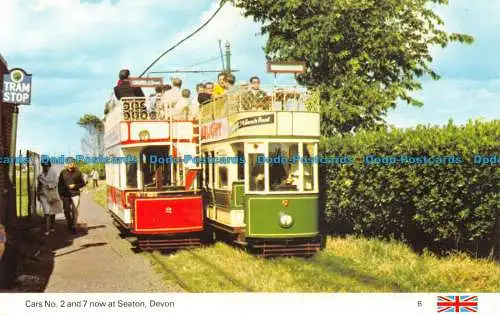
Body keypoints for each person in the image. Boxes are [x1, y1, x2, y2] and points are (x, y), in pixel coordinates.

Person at [58, 159, 86, 234]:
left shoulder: (78, 172)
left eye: (72, 162)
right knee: (66, 210)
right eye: (69, 162)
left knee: (74, 210)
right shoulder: (63, 173)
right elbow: (59, 184)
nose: (70, 164)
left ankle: (74, 226)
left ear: (74, 163)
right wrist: (60, 194)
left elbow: (83, 183)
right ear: (67, 164)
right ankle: (70, 223)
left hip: (75, 194)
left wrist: (75, 185)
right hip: (65, 195)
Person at [37, 161, 63, 235]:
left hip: (52, 194)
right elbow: (38, 185)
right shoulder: (40, 175)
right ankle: (47, 229)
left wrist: (49, 185)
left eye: (47, 166)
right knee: (46, 212)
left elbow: (56, 183)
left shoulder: (54, 173)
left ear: (49, 166)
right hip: (43, 195)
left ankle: (52, 226)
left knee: (52, 212)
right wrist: (37, 195)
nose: (45, 167)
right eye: (44, 166)